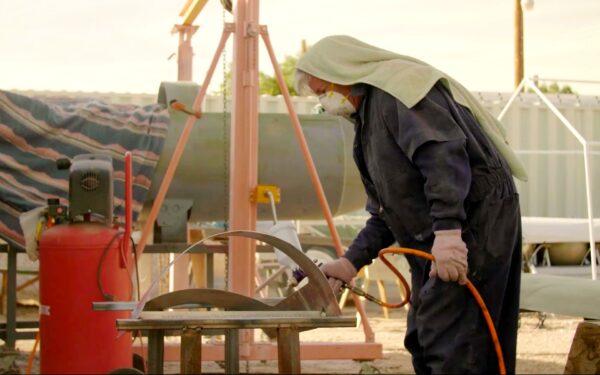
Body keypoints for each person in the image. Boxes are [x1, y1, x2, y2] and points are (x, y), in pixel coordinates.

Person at [295, 35, 525, 374]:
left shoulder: (398, 93)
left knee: (456, 341)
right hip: (441, 230)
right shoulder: (369, 121)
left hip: (473, 223)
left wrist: (448, 232)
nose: (325, 103)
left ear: (343, 74)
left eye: (322, 93)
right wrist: (350, 263)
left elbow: (442, 155)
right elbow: (387, 210)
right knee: (424, 337)